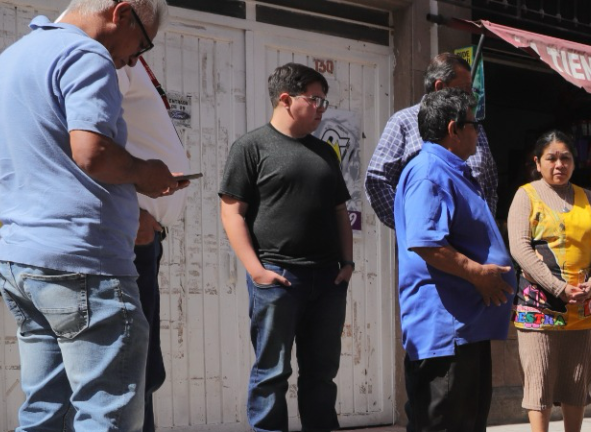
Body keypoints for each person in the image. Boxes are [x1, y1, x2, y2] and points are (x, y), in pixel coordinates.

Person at [0, 0, 183, 430]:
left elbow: (0, 171)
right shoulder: (86, 54)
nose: (132, 59)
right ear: (122, 13)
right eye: (142, 45)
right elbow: (92, 153)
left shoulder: (10, 59)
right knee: (105, 415)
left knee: (44, 412)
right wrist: (146, 175)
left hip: (23, 262)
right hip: (83, 264)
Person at [218, 63, 354, 432]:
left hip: (327, 280)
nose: (321, 108)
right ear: (285, 99)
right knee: (271, 373)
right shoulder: (251, 147)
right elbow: (232, 214)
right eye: (315, 100)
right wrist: (257, 271)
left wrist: (347, 263)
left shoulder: (325, 152)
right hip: (279, 278)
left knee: (322, 375)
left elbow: (340, 210)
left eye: (324, 101)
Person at [394, 88, 515, 432]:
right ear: (454, 128)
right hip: (445, 331)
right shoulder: (429, 171)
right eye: (474, 124)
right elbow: (425, 241)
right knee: (443, 425)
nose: (479, 132)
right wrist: (478, 274)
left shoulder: (452, 170)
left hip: (467, 327)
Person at [508, 131, 591, 432]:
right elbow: (520, 249)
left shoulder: (588, 198)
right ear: (537, 162)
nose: (559, 164)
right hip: (539, 309)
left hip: (582, 308)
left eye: (565, 158)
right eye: (551, 158)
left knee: (575, 382)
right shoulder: (526, 196)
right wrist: (558, 288)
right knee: (538, 381)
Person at [119, 59, 192, 432]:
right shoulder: (103, 54)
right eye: (143, 37)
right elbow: (87, 142)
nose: (139, 50)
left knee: (142, 368)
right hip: (128, 237)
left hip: (144, 237)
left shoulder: (125, 58)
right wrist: (130, 210)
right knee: (129, 371)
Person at [367, 52, 498, 227]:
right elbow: (377, 179)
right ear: (440, 87)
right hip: (426, 247)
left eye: (471, 90)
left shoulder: (472, 126)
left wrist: (483, 229)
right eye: (464, 90)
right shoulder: (404, 122)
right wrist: (410, 224)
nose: (470, 97)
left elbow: (489, 186)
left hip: (472, 246)